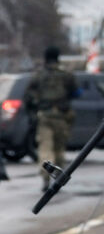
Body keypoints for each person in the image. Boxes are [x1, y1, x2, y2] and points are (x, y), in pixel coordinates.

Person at [23, 45, 79, 188]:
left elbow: (28, 95)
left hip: (45, 115)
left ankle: (46, 178)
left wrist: (35, 106)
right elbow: (77, 92)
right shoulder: (66, 75)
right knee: (59, 148)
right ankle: (58, 178)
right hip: (62, 115)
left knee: (45, 148)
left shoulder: (39, 75)